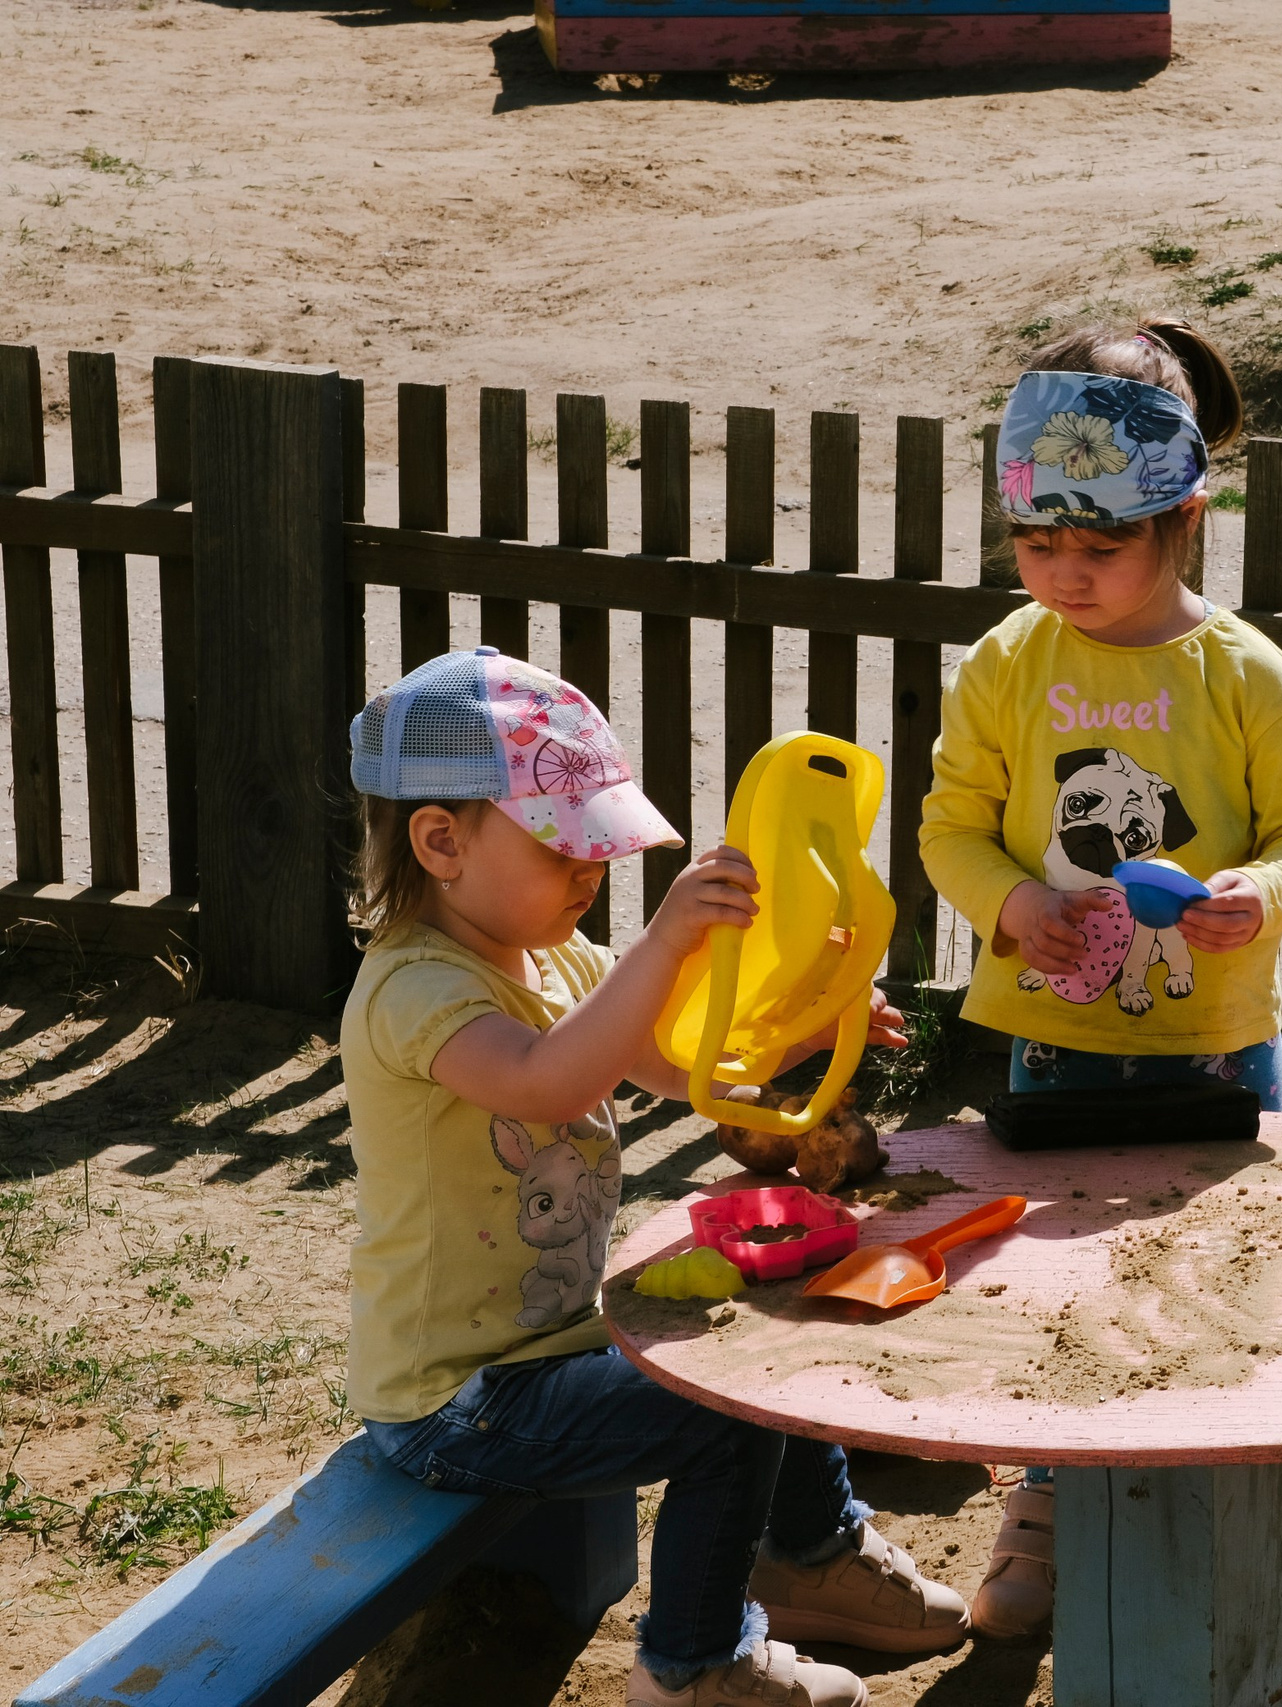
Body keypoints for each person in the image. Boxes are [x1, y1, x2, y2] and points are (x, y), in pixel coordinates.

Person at [340, 647, 969, 1707]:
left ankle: (811, 1554)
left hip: (550, 1351)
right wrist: (666, 939)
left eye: (600, 853)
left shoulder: (560, 960)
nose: (593, 877)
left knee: (776, 1331)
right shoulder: (414, 990)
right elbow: (545, 1082)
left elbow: (691, 1068)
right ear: (441, 841)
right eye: (565, 851)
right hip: (458, 1404)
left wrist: (812, 1020)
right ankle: (691, 1665)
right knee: (731, 1405)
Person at [918, 318, 1282, 1636]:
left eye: (1097, 549)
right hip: (1057, 1042)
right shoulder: (1008, 662)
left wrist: (1255, 894)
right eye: (1036, 545)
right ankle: (1043, 1506)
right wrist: (1014, 898)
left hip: (1215, 1041)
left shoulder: (1243, 673)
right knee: (1060, 1275)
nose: (1063, 575)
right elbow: (950, 827)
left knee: (1213, 1270)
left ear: (1185, 521)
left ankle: (1221, 1505)